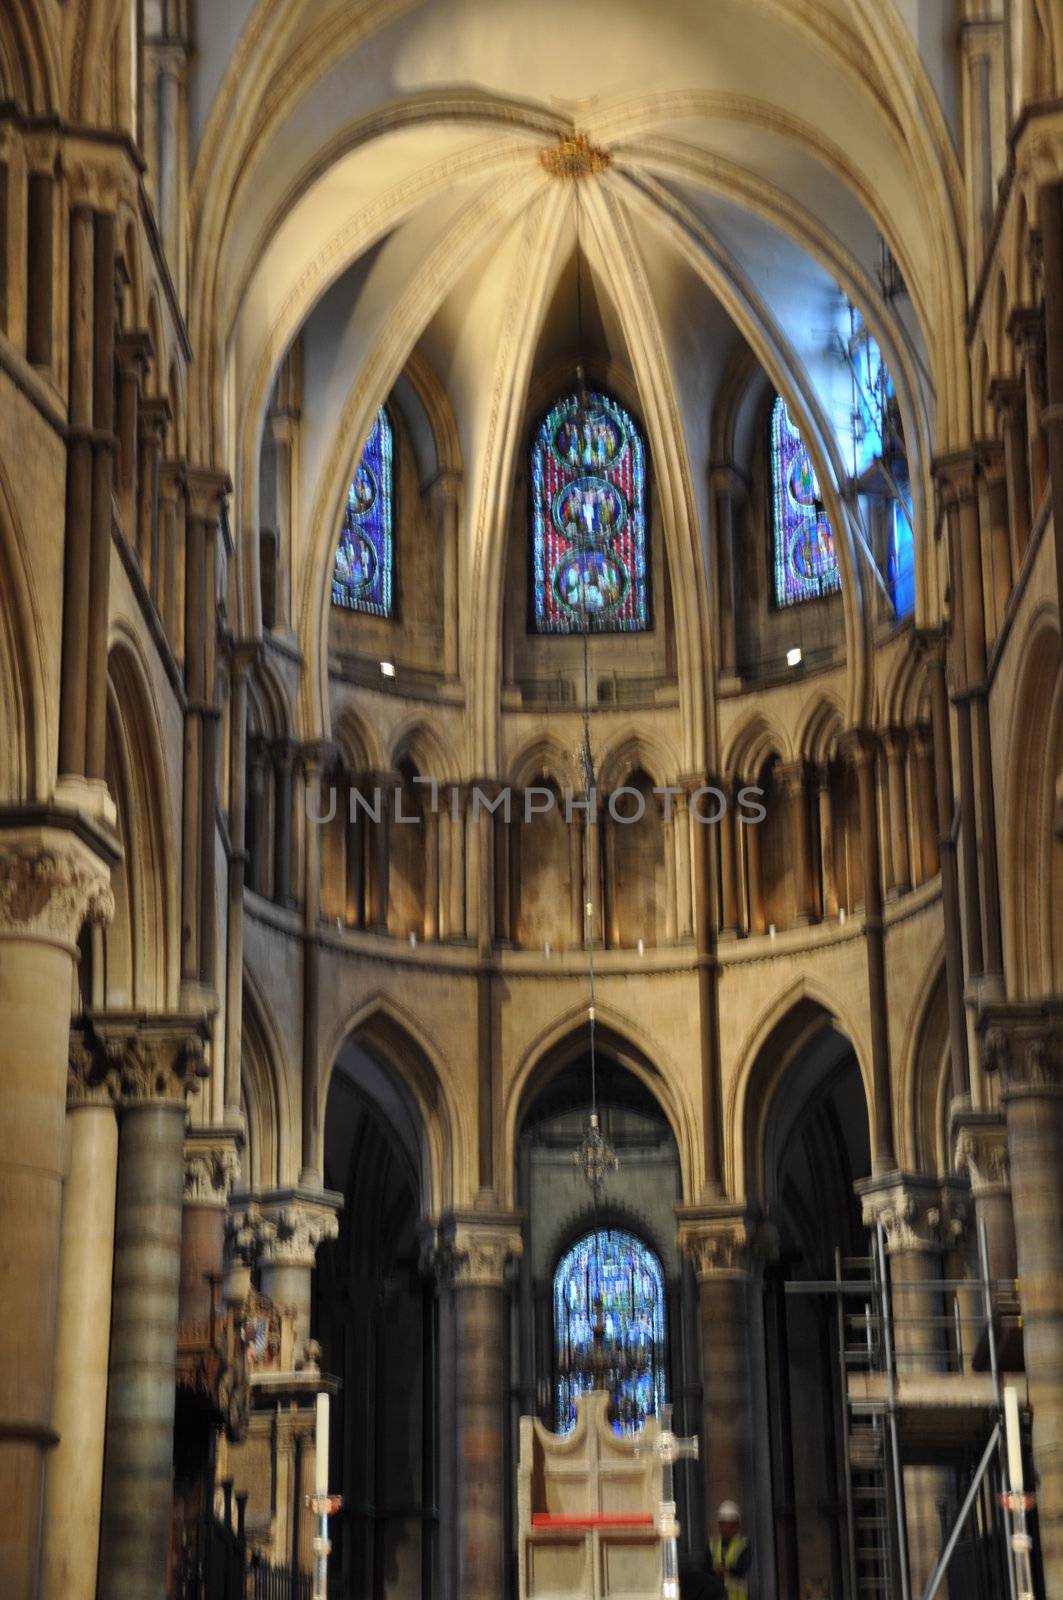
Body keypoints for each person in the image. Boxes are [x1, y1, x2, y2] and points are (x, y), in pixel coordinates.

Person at [708, 1501, 751, 1599]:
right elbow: (706, 1570)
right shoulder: (712, 1544)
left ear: (736, 1526)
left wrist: (726, 1570)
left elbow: (742, 1569)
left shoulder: (743, 1545)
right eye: (722, 1524)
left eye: (729, 1524)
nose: (725, 1528)